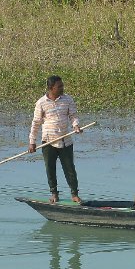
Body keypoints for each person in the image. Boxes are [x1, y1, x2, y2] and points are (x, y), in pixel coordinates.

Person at [27, 75, 83, 204]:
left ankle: (74, 194)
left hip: (65, 141)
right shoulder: (41, 103)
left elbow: (73, 116)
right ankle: (54, 193)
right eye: (59, 86)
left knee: (69, 168)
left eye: (62, 86)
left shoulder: (68, 99)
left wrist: (76, 126)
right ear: (51, 88)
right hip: (48, 141)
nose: (62, 88)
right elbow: (35, 123)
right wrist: (32, 142)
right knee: (50, 168)